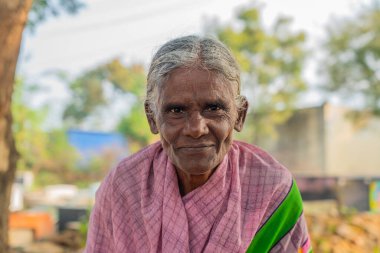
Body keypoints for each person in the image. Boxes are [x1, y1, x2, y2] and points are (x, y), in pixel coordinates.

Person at [84, 35, 312, 253]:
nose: (196, 128)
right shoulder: (123, 187)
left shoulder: (272, 190)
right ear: (152, 118)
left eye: (213, 108)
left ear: (239, 115)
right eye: (176, 110)